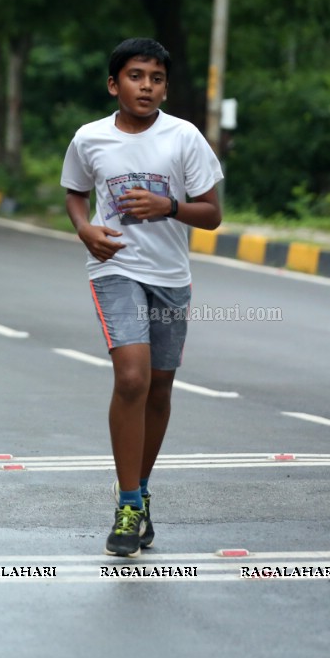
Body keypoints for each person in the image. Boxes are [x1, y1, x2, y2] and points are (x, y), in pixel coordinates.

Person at [59, 37, 223, 559]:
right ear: (114, 84)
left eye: (155, 78)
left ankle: (141, 490)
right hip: (116, 268)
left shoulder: (185, 137)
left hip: (170, 276)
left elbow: (212, 213)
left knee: (158, 387)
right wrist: (85, 229)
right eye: (135, 76)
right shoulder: (90, 138)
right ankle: (128, 504)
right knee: (130, 376)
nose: (146, 86)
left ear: (165, 87)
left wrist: (167, 205)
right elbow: (74, 191)